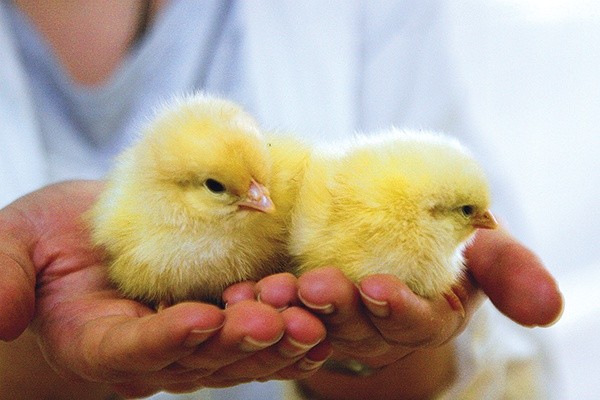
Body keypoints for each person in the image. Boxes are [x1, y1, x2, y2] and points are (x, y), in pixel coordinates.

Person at [0, 1, 563, 399]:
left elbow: (506, 368)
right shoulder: (141, 219)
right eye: (225, 188)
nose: (266, 201)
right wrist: (26, 367)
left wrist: (386, 363)